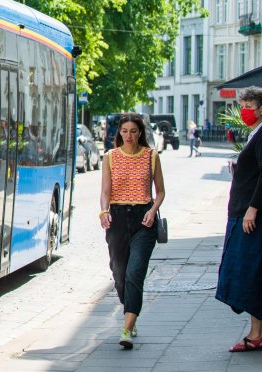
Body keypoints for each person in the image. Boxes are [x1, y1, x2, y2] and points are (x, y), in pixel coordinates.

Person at [215, 86, 262, 352]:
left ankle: (256, 333)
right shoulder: (259, 134)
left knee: (251, 271)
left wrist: (252, 208)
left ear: (261, 108)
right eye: (241, 105)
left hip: (252, 216)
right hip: (249, 213)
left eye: (247, 105)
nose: (243, 110)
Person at [99, 112, 165, 350]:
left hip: (144, 220)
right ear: (119, 133)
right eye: (124, 131)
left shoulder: (151, 156)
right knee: (119, 274)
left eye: (133, 131)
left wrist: (152, 210)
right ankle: (130, 310)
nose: (129, 136)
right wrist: (104, 211)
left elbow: (160, 192)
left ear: (140, 133)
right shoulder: (110, 157)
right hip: (117, 218)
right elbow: (105, 191)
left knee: (134, 273)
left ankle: (127, 327)